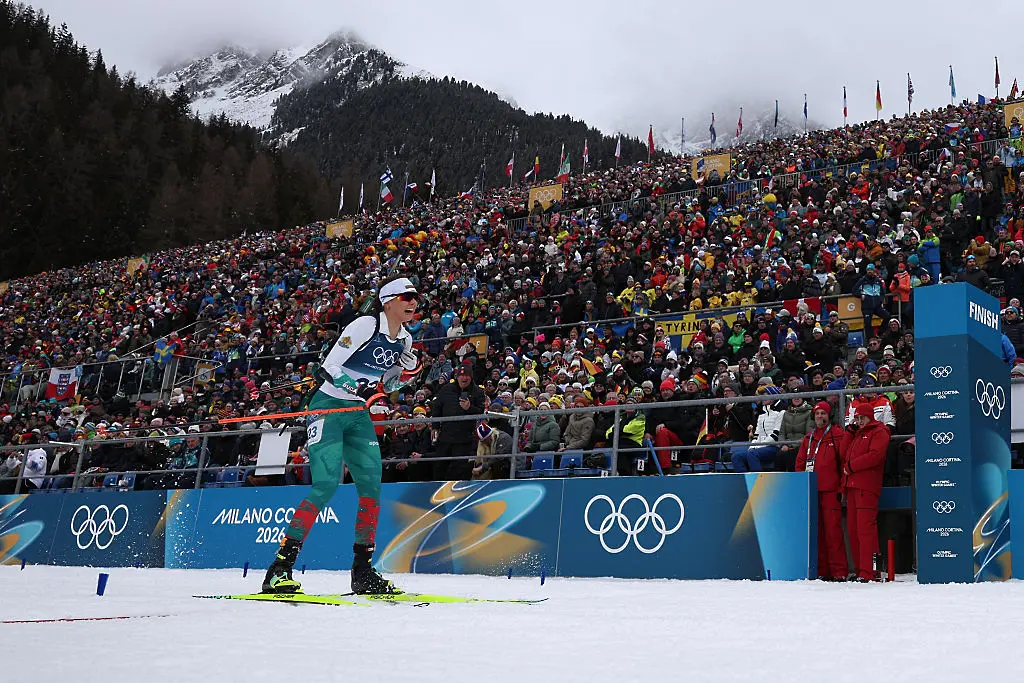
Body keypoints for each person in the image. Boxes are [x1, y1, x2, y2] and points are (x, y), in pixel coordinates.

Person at [262, 277, 421, 595]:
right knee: (326, 484)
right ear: (388, 301)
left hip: (357, 413)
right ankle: (279, 570)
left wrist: (410, 372)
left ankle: (363, 572)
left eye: (416, 297)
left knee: (371, 488)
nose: (414, 302)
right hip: (328, 406)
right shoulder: (365, 325)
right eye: (407, 297)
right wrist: (358, 388)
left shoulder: (405, 339)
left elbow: (388, 384)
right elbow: (330, 366)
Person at [796, 402, 849, 581]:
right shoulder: (809, 438)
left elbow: (844, 463)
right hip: (812, 492)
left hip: (831, 491)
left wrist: (842, 487)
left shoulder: (838, 435)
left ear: (829, 415)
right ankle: (822, 570)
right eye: (817, 413)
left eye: (823, 413)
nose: (820, 416)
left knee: (833, 533)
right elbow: (800, 464)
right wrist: (802, 486)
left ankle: (839, 571)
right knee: (816, 533)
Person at [843, 402, 891, 582]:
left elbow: (875, 456)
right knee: (854, 530)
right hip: (852, 486)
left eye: (862, 418)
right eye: (857, 418)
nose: (859, 421)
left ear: (870, 417)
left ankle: (868, 571)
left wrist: (851, 466)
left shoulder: (879, 432)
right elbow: (843, 452)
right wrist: (849, 431)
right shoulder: (857, 434)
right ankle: (860, 570)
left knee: (865, 530)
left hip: (866, 487)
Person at [431, 365, 486, 481]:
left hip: (464, 438)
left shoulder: (478, 391)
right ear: (457, 376)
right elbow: (437, 408)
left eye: (467, 375)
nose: (464, 378)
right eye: (461, 375)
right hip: (445, 435)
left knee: (459, 469)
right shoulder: (446, 389)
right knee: (439, 467)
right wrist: (435, 426)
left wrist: (469, 408)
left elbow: (480, 412)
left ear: (471, 377)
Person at [731, 385, 786, 472]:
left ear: (773, 397)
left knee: (752, 454)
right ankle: (744, 480)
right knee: (736, 456)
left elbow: (776, 435)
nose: (762, 398)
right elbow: (756, 434)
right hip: (759, 448)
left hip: (774, 447)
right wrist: (752, 446)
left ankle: (758, 479)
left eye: (765, 395)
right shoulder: (761, 414)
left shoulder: (781, 412)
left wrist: (758, 447)